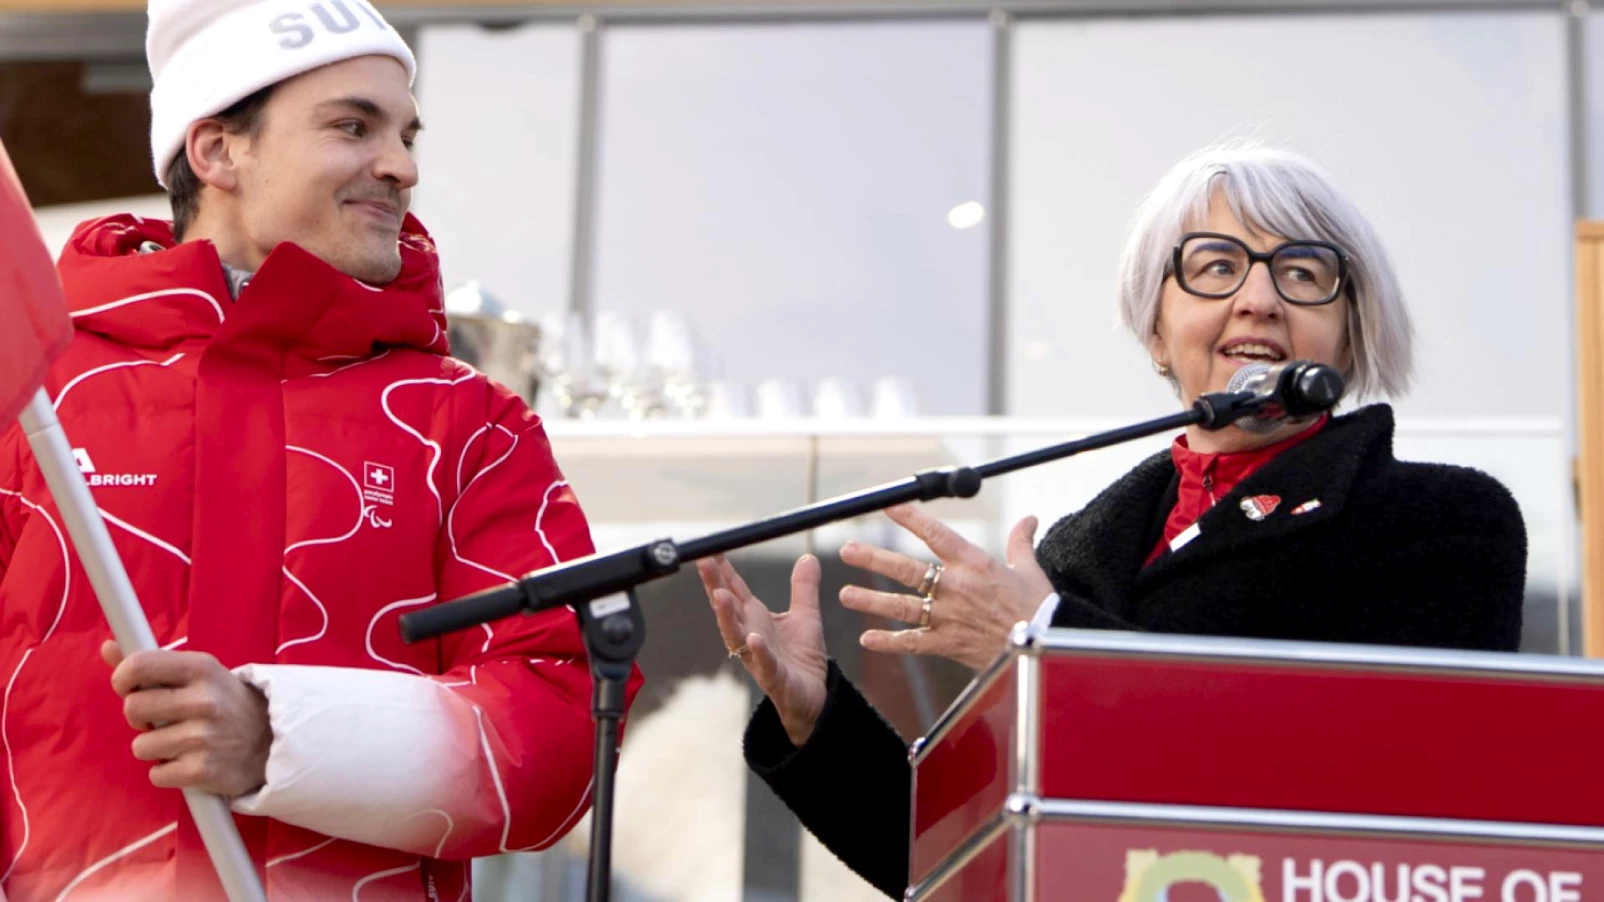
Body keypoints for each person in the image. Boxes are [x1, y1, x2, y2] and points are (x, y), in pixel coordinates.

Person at [697, 143, 1526, 898]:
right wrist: (815, 717)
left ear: (1349, 335)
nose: (1259, 300)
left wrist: (1051, 644)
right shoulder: (1074, 557)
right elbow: (952, 853)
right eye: (1216, 266)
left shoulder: (1443, 520)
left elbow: (1386, 780)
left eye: (1303, 274)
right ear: (1156, 331)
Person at [0, 1, 639, 899]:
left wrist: (280, 736)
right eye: (353, 126)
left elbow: (563, 731)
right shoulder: (33, 393)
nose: (404, 166)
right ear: (218, 150)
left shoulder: (466, 423)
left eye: (406, 135)